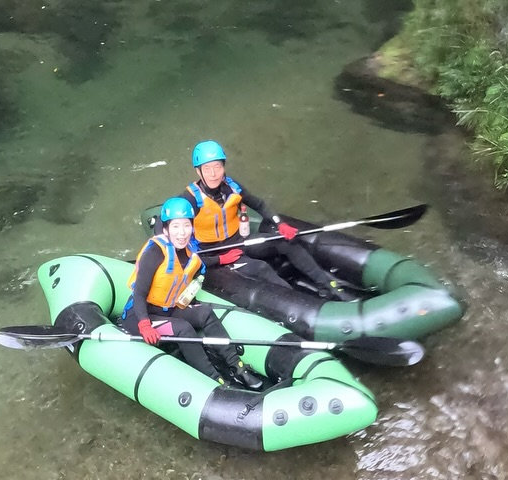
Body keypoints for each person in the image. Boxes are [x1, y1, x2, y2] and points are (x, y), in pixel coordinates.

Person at [121, 196, 266, 391]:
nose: (182, 233)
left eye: (186, 226)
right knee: (184, 328)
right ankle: (217, 381)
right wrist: (144, 324)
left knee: (204, 313)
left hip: (169, 308)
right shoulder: (156, 252)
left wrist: (222, 259)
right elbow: (139, 292)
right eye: (175, 227)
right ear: (165, 229)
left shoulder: (189, 250)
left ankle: (238, 367)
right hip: (140, 315)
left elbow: (199, 264)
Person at [183, 140, 357, 300]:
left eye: (217, 167)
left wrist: (280, 224)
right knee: (261, 269)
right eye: (207, 169)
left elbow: (259, 204)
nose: (213, 174)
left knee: (284, 242)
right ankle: (300, 302)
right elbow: (173, 240)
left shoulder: (231, 186)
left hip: (240, 242)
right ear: (198, 171)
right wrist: (220, 259)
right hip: (217, 253)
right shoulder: (190, 200)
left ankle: (327, 285)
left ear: (223, 166)